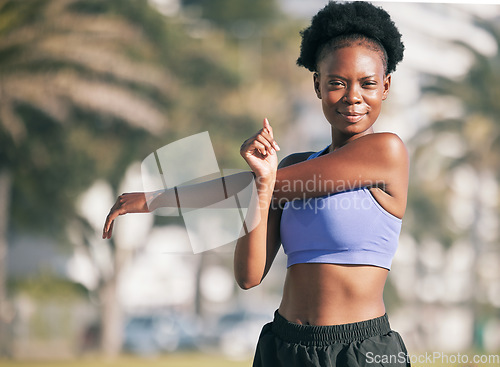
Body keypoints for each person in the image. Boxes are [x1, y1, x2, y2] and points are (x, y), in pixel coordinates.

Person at [103, 1, 411, 366]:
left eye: (368, 84)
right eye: (336, 83)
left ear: (386, 86)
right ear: (317, 84)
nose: (353, 96)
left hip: (357, 350)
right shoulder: (293, 167)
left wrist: (155, 199)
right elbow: (248, 277)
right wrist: (262, 186)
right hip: (283, 346)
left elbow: (274, 185)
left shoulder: (386, 151)